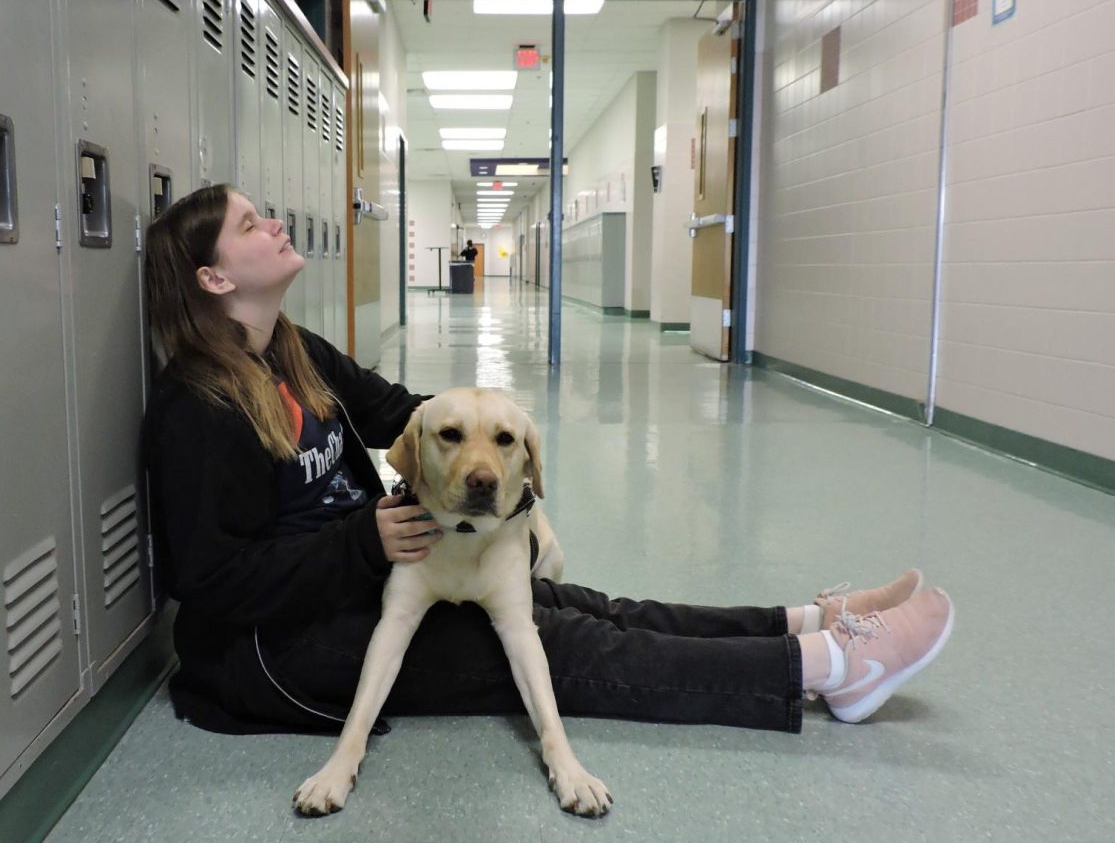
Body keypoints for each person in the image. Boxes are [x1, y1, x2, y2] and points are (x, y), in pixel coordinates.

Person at [142, 184, 954, 739]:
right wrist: (362, 544)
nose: (276, 224)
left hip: (363, 579)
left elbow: (405, 413)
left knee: (582, 602)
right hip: (275, 649)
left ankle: (803, 620)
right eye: (250, 225)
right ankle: (832, 668)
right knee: (567, 646)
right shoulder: (194, 409)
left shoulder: (295, 350)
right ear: (214, 277)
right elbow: (209, 582)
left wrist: (499, 458)